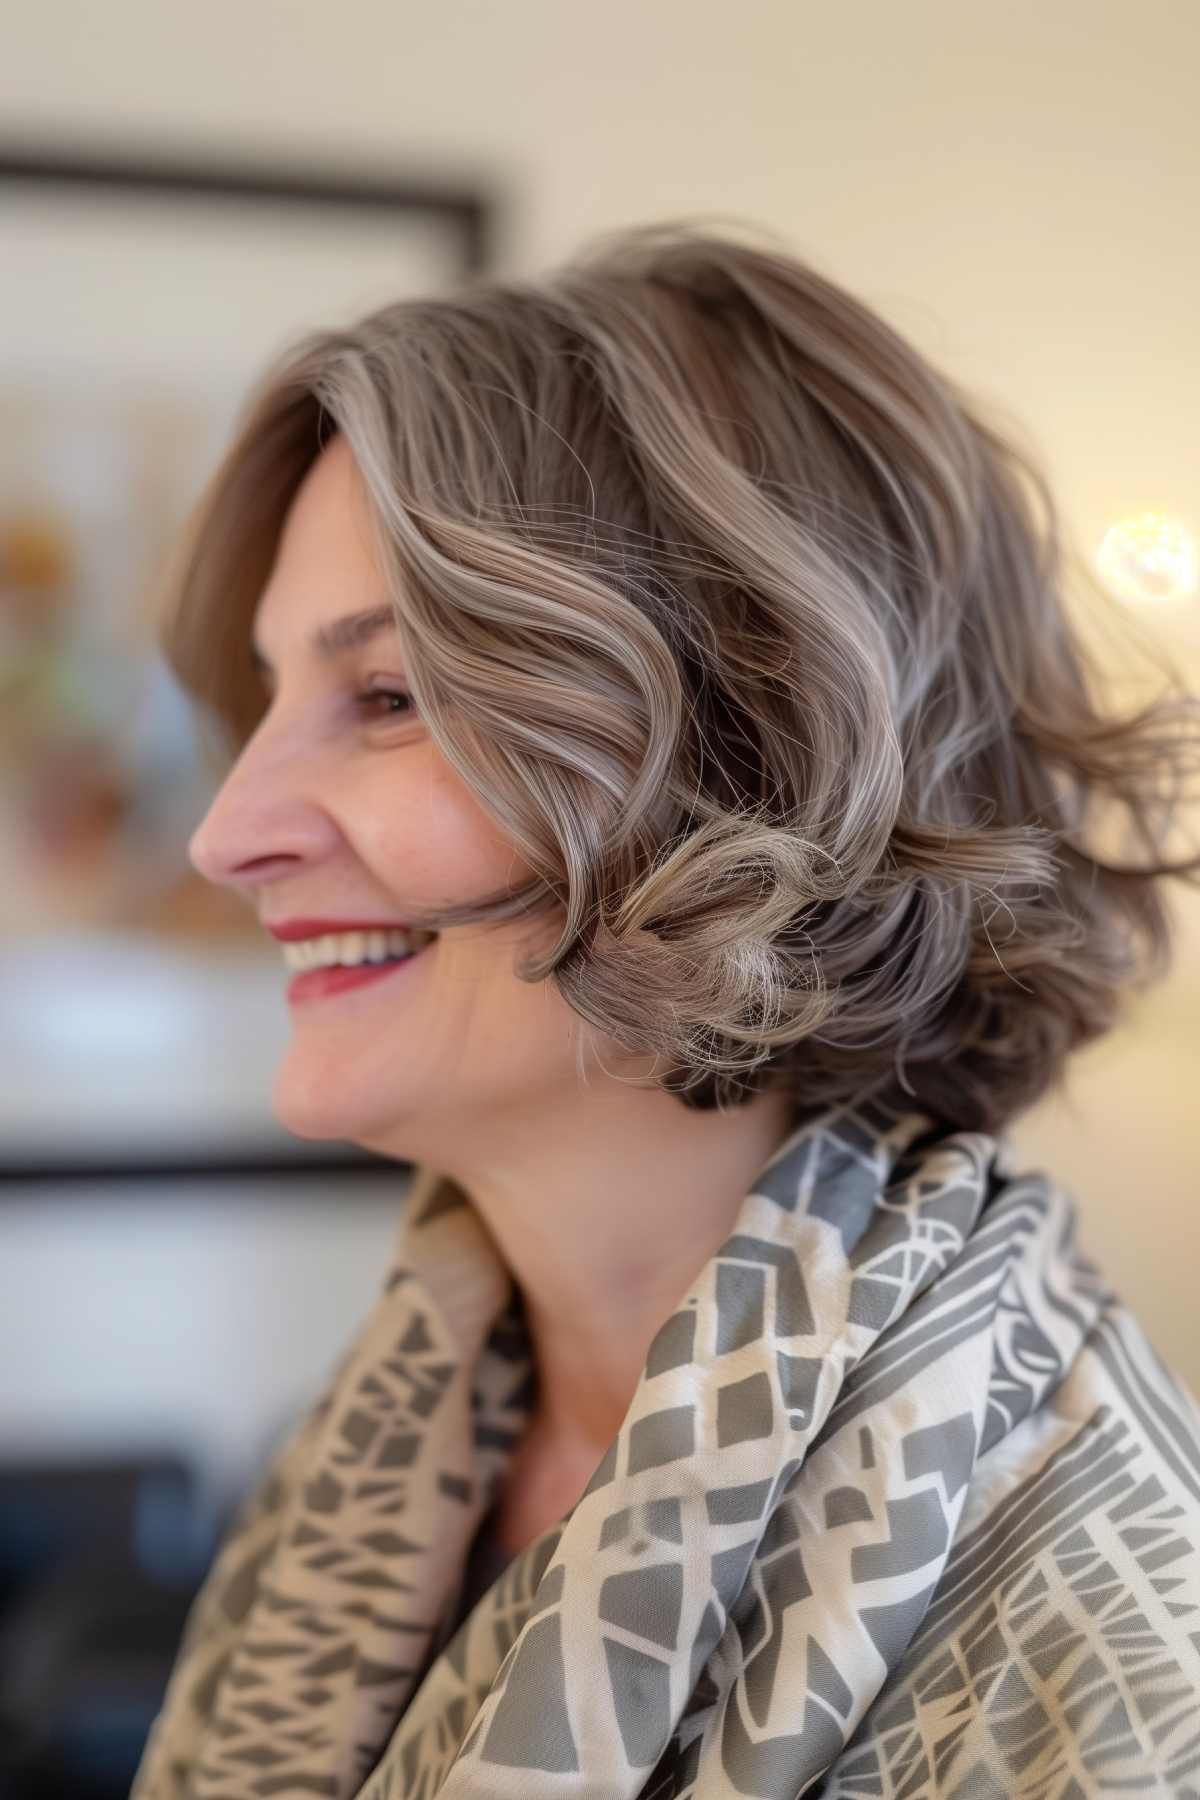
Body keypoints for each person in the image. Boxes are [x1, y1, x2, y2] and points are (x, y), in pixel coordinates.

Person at [131, 221, 1200, 1799]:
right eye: (271, 694)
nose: (229, 834)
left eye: (387, 696)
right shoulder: (373, 1452)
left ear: (747, 759)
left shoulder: (1095, 1675)